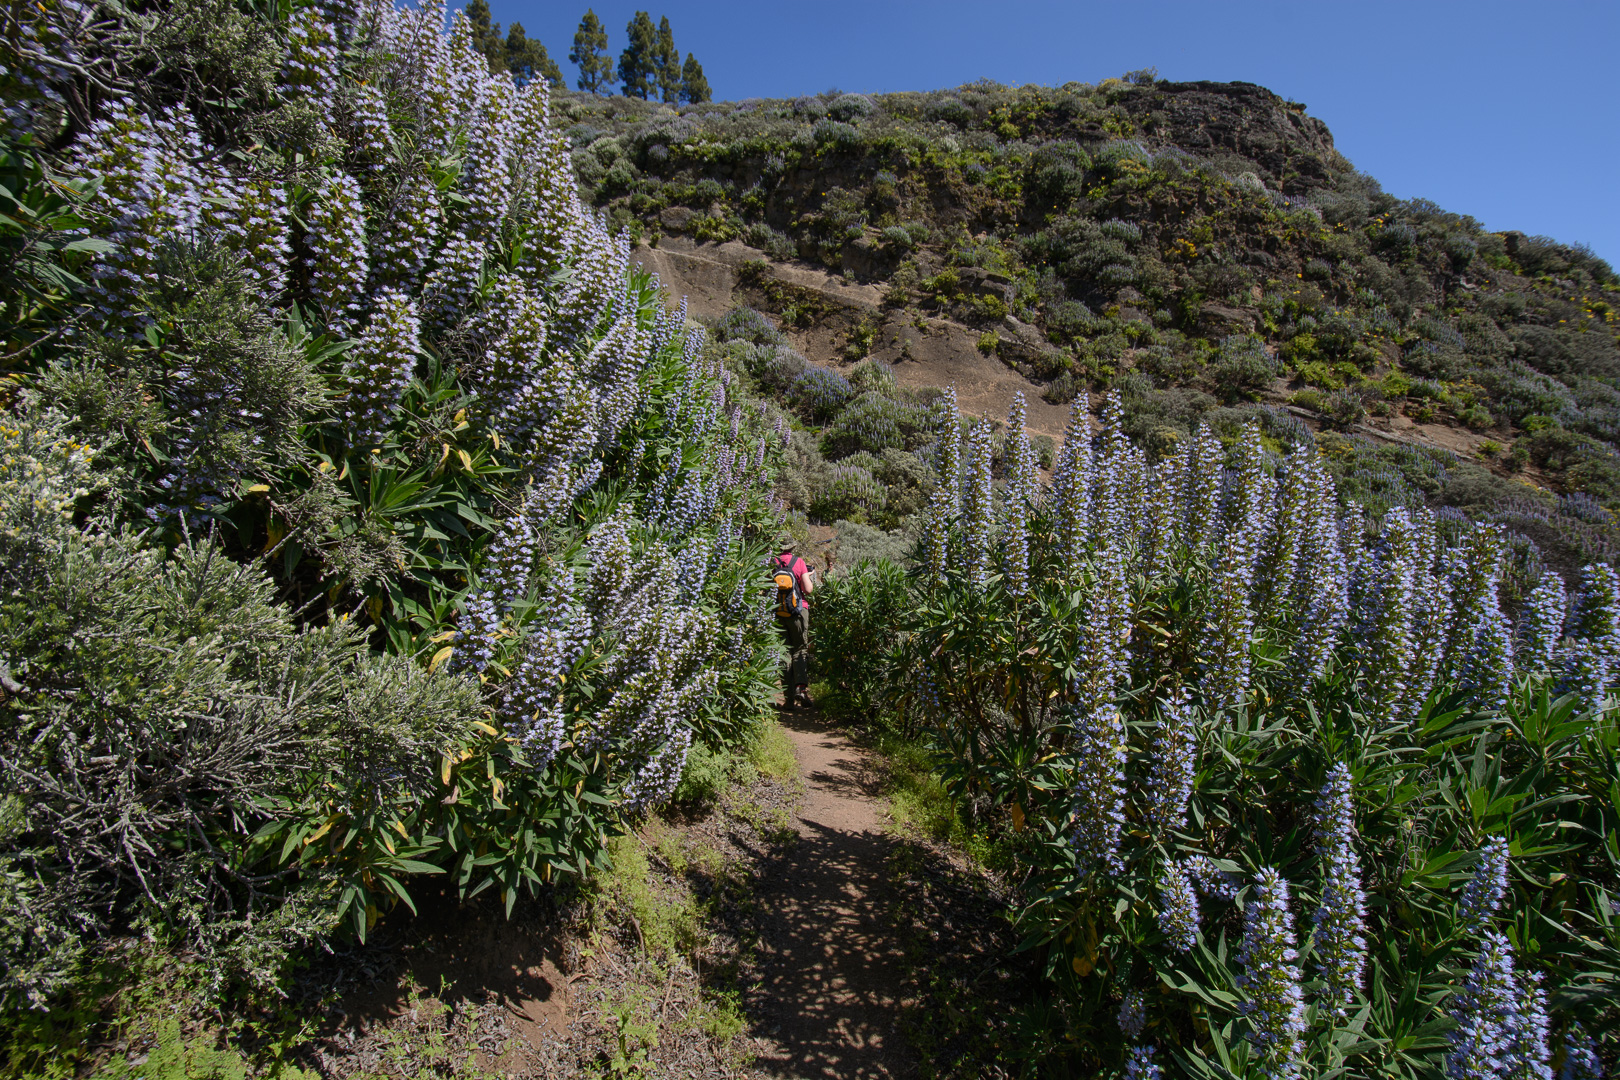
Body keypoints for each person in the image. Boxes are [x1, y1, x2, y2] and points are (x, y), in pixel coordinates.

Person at [770, 537, 815, 708]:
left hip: (778, 612)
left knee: (784, 653)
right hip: (798, 612)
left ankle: (788, 700)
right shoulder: (799, 562)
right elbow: (808, 590)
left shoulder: (772, 562)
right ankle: (801, 689)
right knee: (800, 649)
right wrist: (807, 576)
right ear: (792, 547)